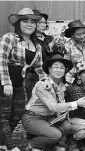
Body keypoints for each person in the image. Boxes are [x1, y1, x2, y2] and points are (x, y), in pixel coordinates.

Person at [0, 8, 48, 151]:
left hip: (19, 82)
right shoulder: (9, 37)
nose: (29, 24)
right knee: (4, 115)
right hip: (5, 81)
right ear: (18, 24)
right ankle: (9, 145)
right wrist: (6, 82)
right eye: (25, 21)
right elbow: (1, 59)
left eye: (32, 21)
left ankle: (1, 142)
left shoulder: (37, 45)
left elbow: (39, 67)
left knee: (18, 113)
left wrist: (46, 80)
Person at [22, 54, 85, 150]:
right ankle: (33, 144)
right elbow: (53, 107)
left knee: (67, 126)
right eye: (55, 67)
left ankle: (53, 144)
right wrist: (76, 103)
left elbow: (60, 105)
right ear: (49, 69)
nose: (59, 70)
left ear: (65, 71)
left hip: (49, 118)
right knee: (56, 135)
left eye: (62, 68)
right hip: (32, 118)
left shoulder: (60, 85)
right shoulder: (42, 84)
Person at [64, 20, 85, 84]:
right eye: (78, 34)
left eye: (84, 33)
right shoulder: (67, 46)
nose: (82, 36)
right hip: (73, 80)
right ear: (72, 35)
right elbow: (65, 66)